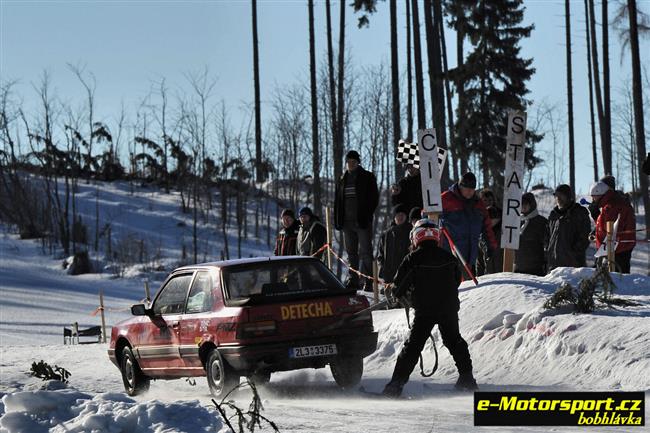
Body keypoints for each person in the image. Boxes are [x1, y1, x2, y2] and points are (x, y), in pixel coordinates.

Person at [382, 219, 477, 397]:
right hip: (448, 308)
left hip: (425, 310)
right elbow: (456, 281)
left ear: (415, 237)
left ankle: (395, 385)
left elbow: (399, 287)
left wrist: (397, 294)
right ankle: (467, 378)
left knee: (413, 346)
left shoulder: (413, 258)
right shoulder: (449, 258)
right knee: (454, 340)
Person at [334, 150, 379, 291]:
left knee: (366, 252)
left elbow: (374, 198)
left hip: (362, 222)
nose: (351, 164)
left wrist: (366, 215)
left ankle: (369, 281)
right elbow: (337, 201)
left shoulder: (367, 176)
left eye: (353, 161)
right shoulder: (342, 179)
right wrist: (337, 220)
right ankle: (353, 280)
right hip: (346, 223)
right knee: (351, 253)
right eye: (348, 162)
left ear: (358, 162)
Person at [440, 172, 497, 274]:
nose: (470, 193)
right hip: (448, 254)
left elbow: (486, 227)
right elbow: (428, 214)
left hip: (470, 258)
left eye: (472, 190)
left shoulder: (478, 204)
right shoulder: (446, 198)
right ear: (460, 186)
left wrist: (490, 246)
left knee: (467, 287)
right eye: (467, 190)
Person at [589, 182, 636, 273]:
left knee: (617, 280)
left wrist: (596, 215)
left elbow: (609, 231)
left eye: (594, 197)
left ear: (600, 195)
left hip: (616, 250)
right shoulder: (612, 203)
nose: (593, 200)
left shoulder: (611, 206)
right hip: (617, 248)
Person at [545, 184, 591, 270]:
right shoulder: (553, 215)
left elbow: (585, 237)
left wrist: (574, 253)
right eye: (556, 196)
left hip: (573, 266)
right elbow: (547, 236)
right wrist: (547, 250)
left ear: (568, 196)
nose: (558, 199)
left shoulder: (579, 213)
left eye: (561, 195)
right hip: (553, 265)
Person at [377, 204, 412, 284]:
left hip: (406, 276)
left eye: (402, 215)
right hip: (389, 277)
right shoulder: (386, 234)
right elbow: (380, 254)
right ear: (394, 217)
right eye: (398, 215)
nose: (400, 217)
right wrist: (383, 268)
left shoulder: (411, 232)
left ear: (406, 216)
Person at [514, 192, 548, 276]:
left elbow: (547, 245)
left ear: (532, 205)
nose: (523, 206)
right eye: (521, 204)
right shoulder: (516, 222)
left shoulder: (541, 222)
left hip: (536, 269)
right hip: (518, 268)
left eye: (526, 204)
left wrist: (546, 264)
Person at [477, 189, 503, 275]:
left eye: (490, 200)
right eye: (485, 200)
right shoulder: (476, 214)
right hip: (480, 244)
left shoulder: (500, 213)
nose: (488, 202)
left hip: (498, 245)